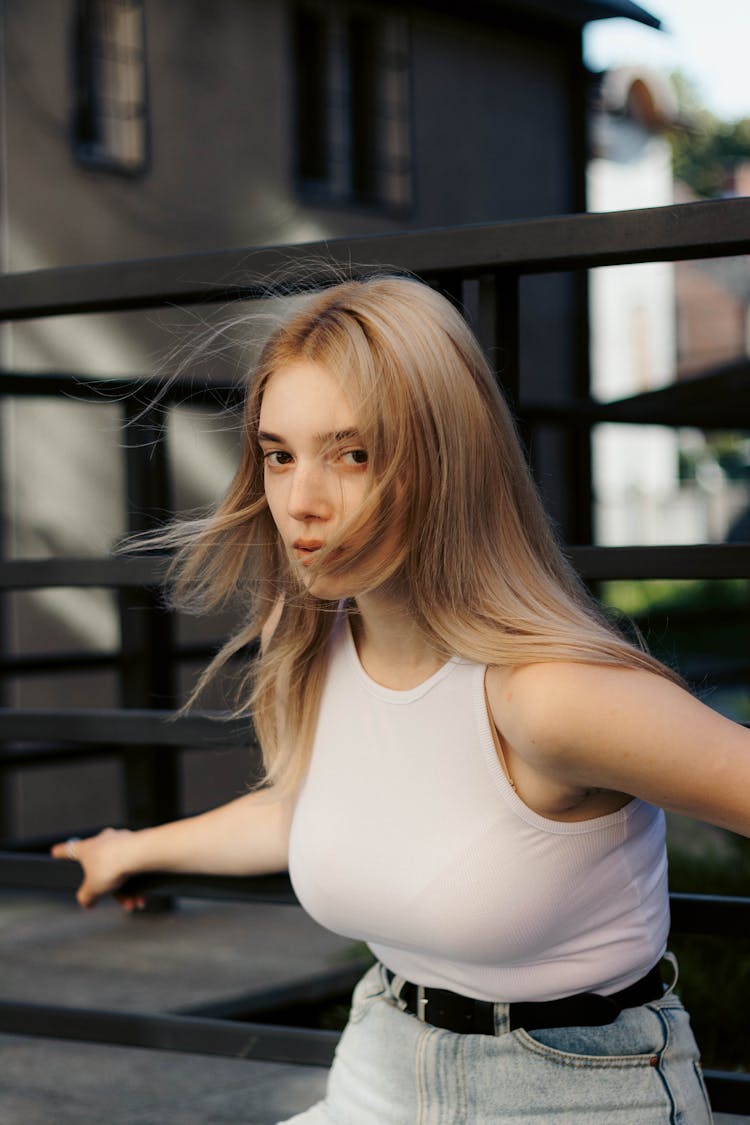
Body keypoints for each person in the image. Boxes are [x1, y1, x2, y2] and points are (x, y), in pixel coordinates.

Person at [53, 276, 749, 1124]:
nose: (301, 503)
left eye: (354, 454)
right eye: (280, 454)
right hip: (379, 1063)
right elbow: (317, 805)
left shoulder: (550, 696)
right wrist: (137, 848)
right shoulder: (319, 636)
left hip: (568, 1091)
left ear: (447, 464)